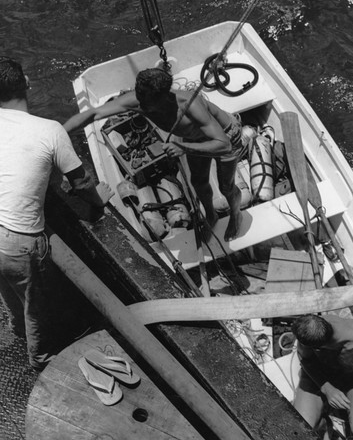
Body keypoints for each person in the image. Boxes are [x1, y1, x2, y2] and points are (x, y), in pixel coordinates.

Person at [0, 56, 114, 370]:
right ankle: (41, 361)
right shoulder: (49, 130)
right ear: (27, 85)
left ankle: (15, 328)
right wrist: (98, 200)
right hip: (18, 240)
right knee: (37, 306)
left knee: (6, 287)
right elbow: (80, 183)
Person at [64, 67, 245, 242]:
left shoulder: (190, 105)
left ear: (165, 97)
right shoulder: (141, 99)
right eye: (140, 99)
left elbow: (224, 145)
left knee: (226, 188)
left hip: (225, 136)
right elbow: (94, 113)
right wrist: (59, 132)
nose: (141, 106)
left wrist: (184, 148)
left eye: (147, 103)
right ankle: (211, 216)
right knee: (199, 182)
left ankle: (236, 215)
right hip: (194, 140)